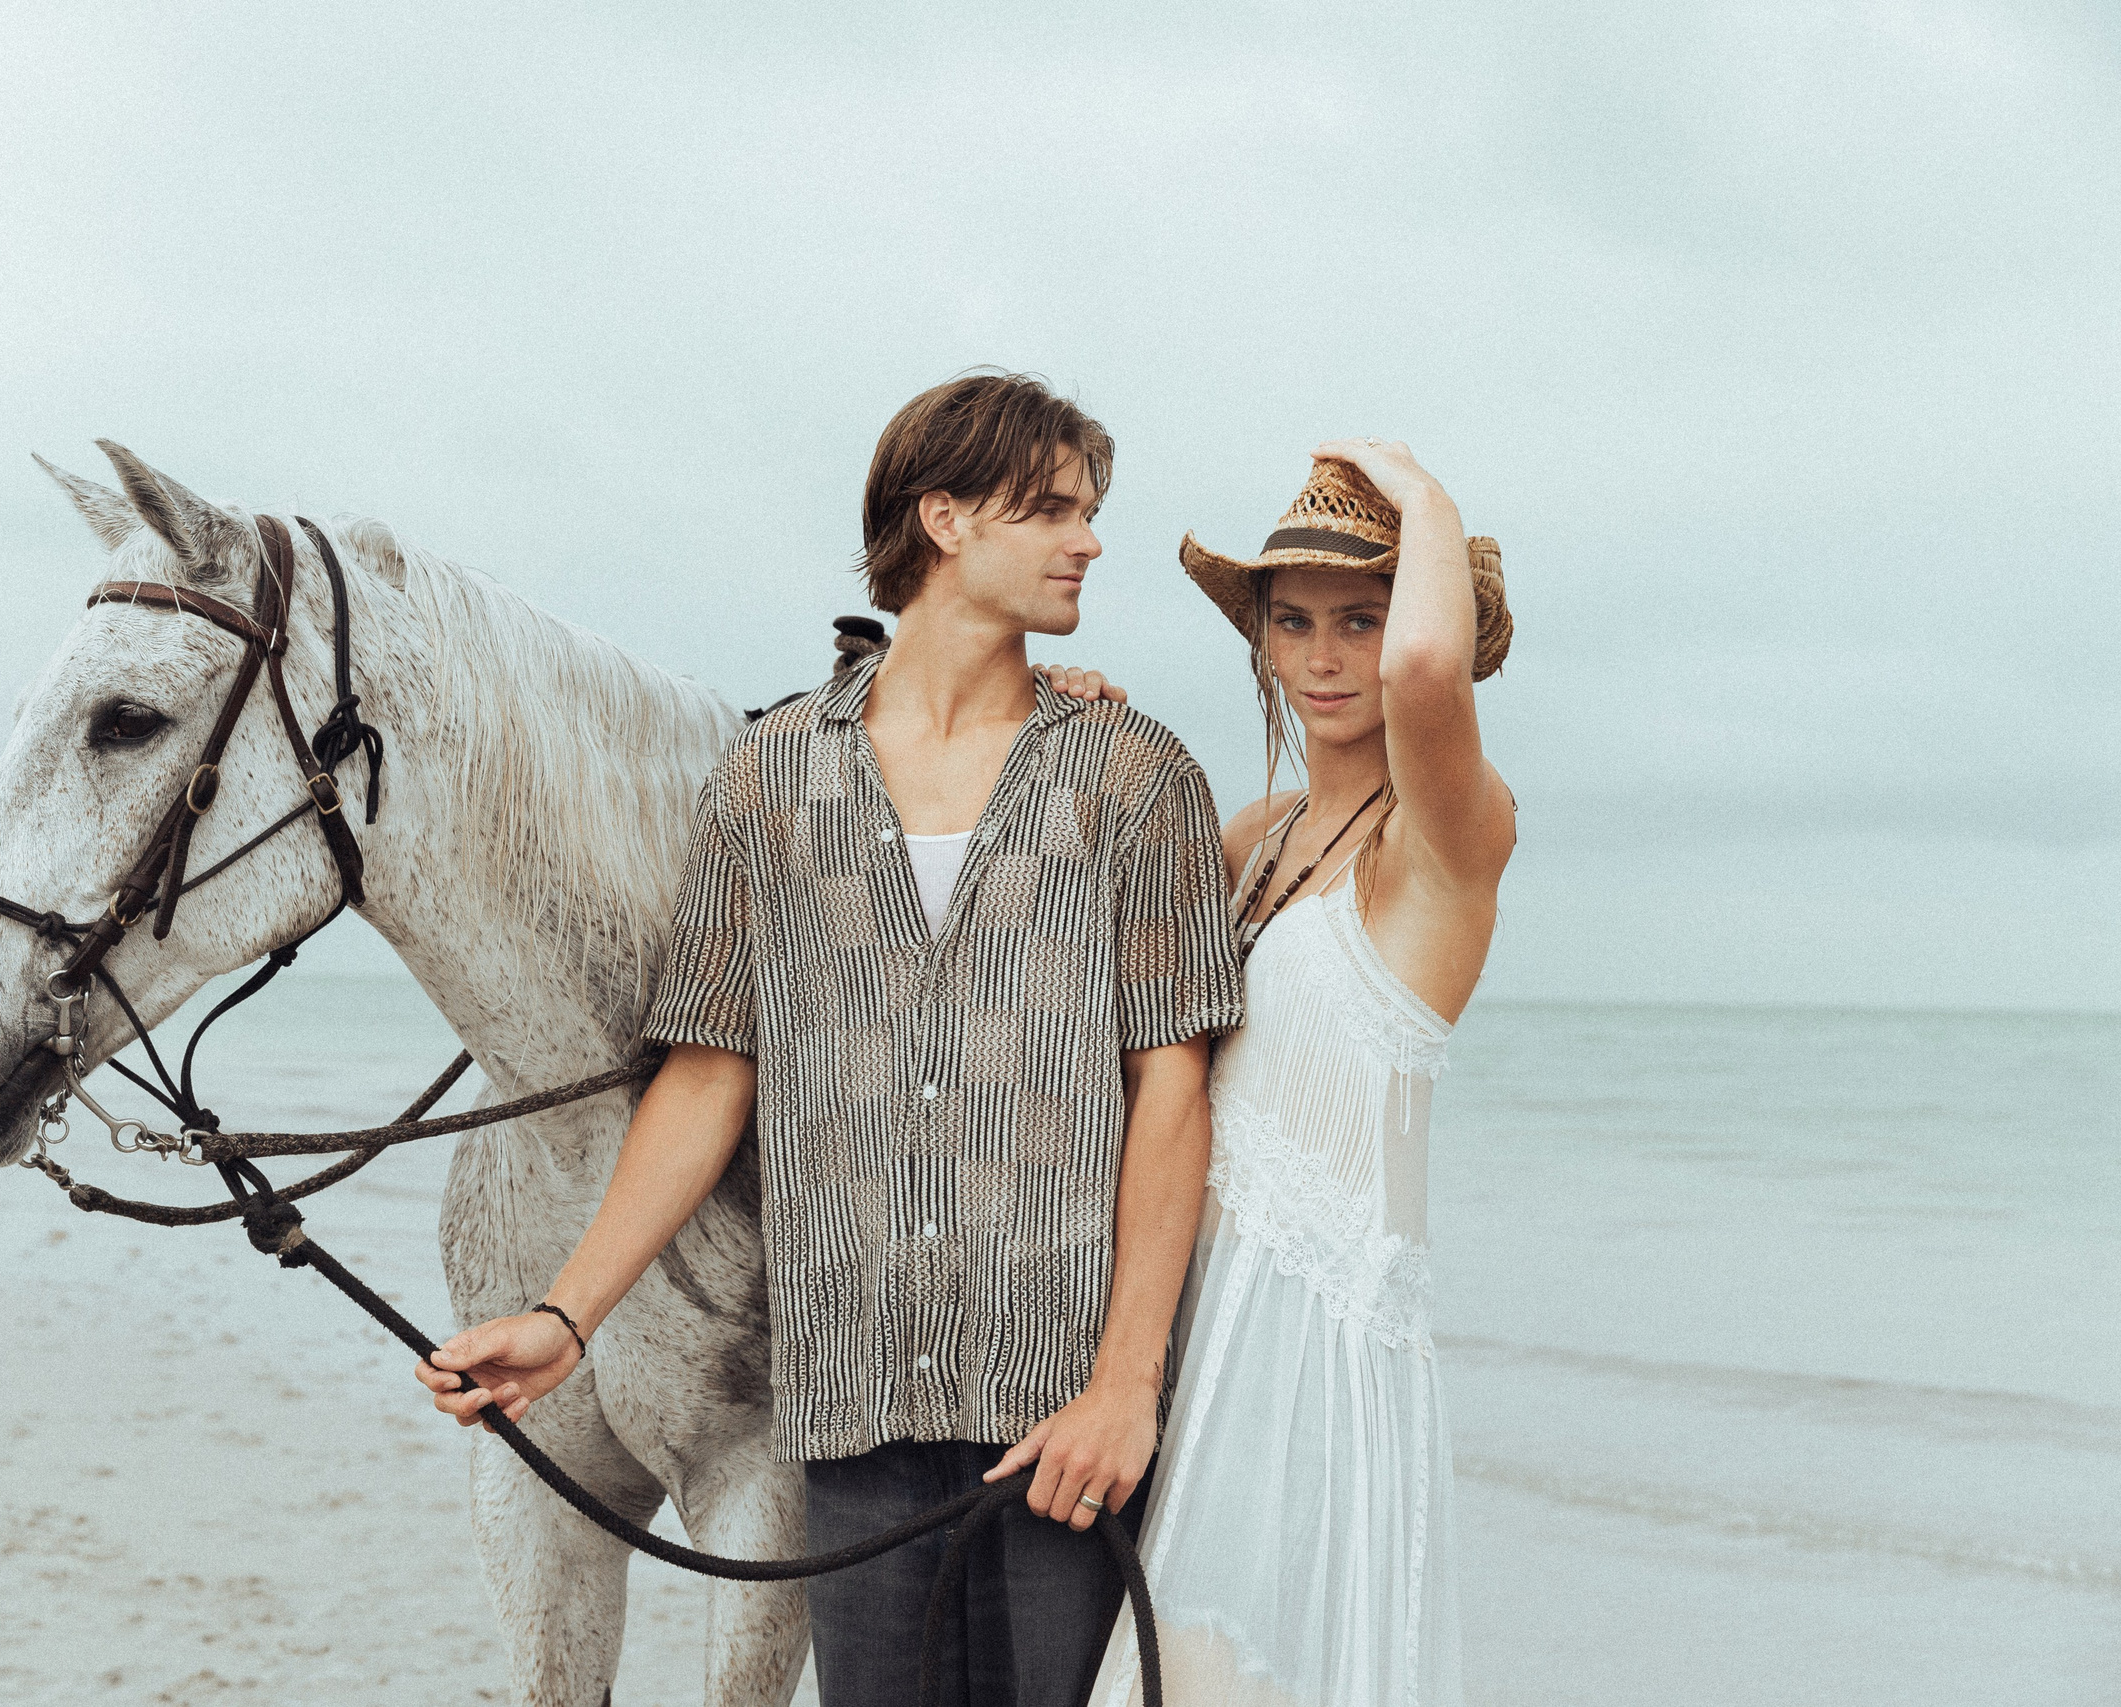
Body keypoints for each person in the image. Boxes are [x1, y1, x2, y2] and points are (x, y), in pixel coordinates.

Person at [418, 371, 1246, 1707]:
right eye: (1050, 509)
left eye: (1091, 511)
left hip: (1066, 1415)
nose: (1089, 539)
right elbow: (707, 1073)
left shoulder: (1132, 773)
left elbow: (1173, 1092)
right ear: (944, 520)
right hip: (852, 1402)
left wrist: (1126, 1385)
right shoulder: (770, 777)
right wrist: (570, 1314)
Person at [1075, 439, 1516, 1707]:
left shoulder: (1452, 837)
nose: (1326, 659)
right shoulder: (1252, 838)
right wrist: (1075, 730)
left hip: (1307, 1346)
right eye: (1295, 622)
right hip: (1190, 1309)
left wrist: (1426, 493)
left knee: (1220, 1680)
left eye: (1361, 620)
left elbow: (1431, 670)